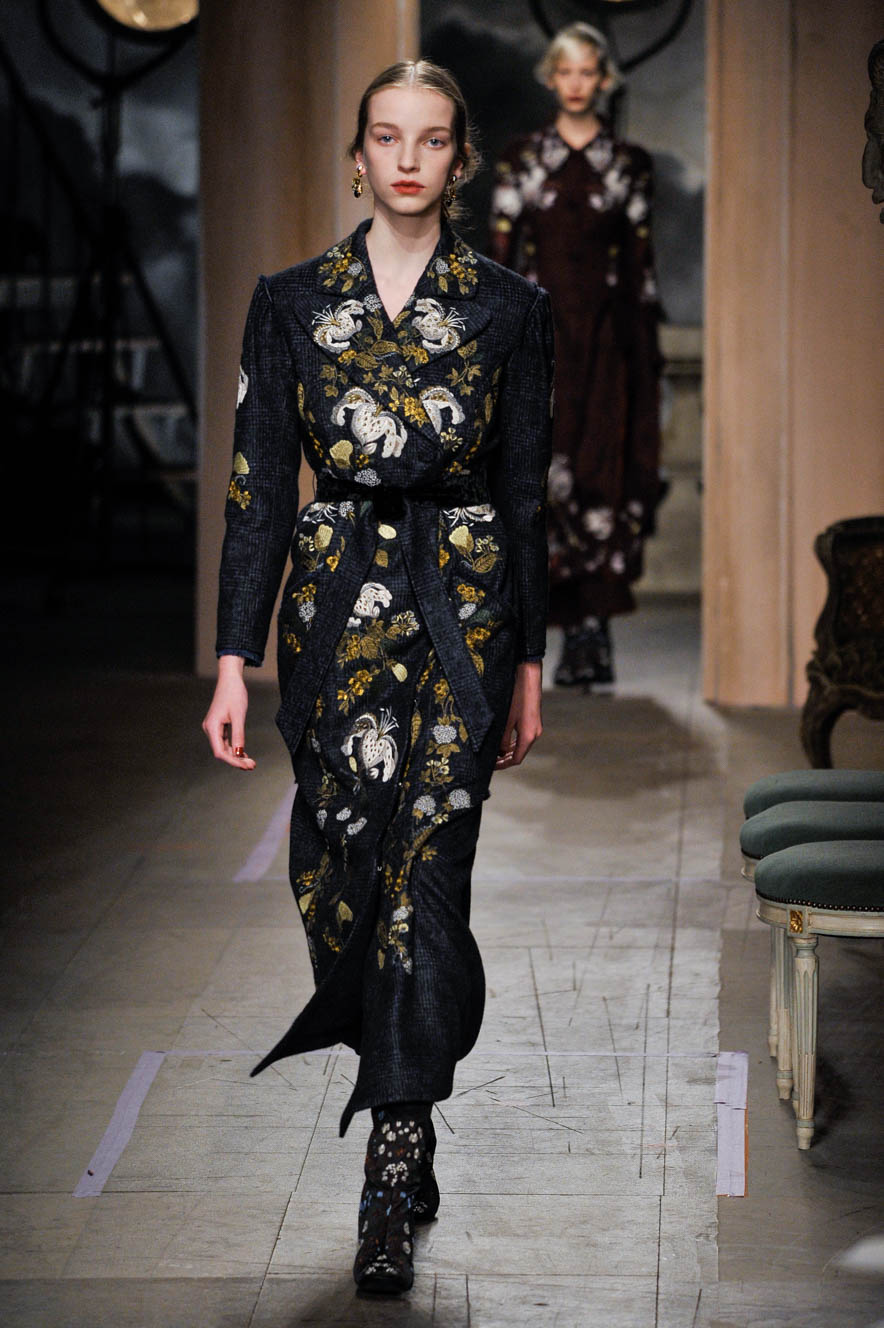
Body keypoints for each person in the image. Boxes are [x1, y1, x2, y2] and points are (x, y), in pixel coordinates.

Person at [202, 60, 554, 1296]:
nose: (408, 160)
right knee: (343, 873)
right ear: (356, 156)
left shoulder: (508, 306)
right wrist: (233, 660)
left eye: (432, 139)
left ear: (459, 159)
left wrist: (529, 662)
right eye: (387, 138)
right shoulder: (290, 302)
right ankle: (408, 1090)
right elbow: (256, 490)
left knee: (428, 875)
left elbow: (523, 493)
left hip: (463, 613)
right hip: (332, 618)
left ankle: (390, 1159)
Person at [490, 21, 663, 688]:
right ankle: (551, 634)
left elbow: (641, 264)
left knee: (604, 469)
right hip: (540, 342)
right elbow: (503, 258)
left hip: (609, 344)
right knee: (539, 470)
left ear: (603, 80)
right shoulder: (521, 160)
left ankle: (594, 632)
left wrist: (642, 356)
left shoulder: (629, 164)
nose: (576, 83)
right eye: (566, 71)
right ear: (551, 77)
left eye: (588, 71)